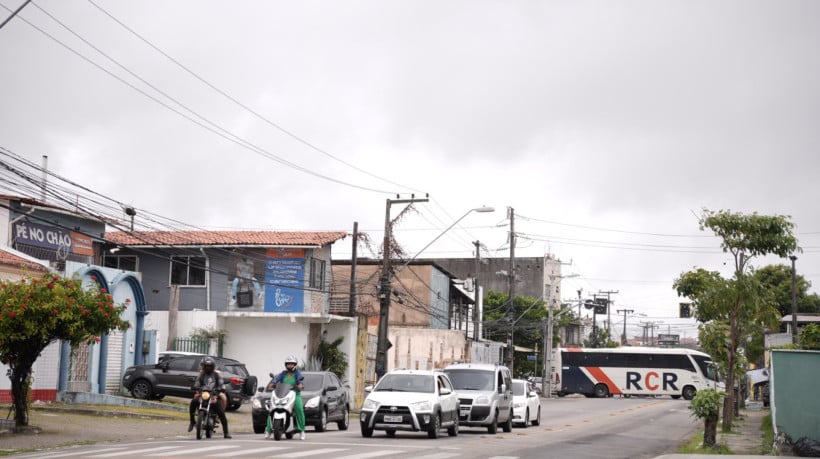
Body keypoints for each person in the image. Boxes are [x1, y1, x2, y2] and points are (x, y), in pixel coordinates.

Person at [188, 357, 231, 438]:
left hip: (214, 395)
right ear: (204, 366)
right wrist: (195, 387)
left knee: (221, 412)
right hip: (203, 394)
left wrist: (219, 390)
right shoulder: (201, 374)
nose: (208, 367)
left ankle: (226, 432)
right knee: (193, 401)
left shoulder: (216, 375)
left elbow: (221, 384)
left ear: (213, 366)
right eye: (206, 366)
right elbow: (197, 383)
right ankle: (192, 421)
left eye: (210, 366)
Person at [266, 355, 305, 440]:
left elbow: (300, 380)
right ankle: (268, 430)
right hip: (283, 394)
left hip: (295, 394)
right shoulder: (283, 373)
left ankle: (301, 430)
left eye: (291, 364)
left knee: (299, 409)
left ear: (295, 365)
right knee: (272, 409)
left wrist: (300, 385)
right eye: (288, 364)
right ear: (286, 365)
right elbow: (276, 379)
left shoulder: (297, 373)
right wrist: (272, 383)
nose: (290, 366)